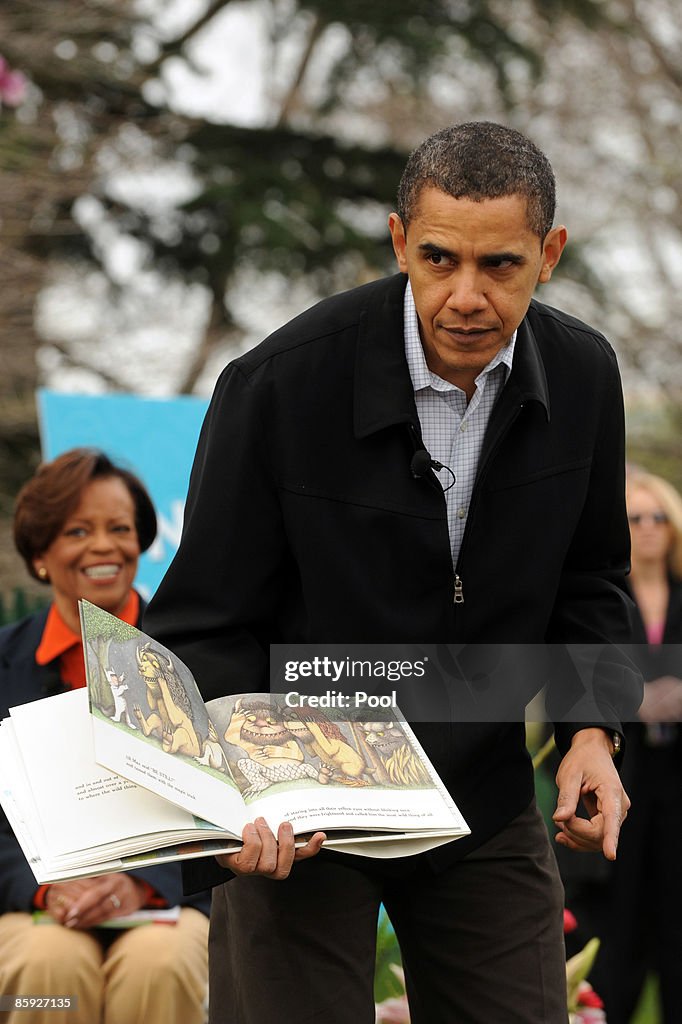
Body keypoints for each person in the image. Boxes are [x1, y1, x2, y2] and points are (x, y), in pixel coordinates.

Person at [144, 122, 642, 1024]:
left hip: (479, 804)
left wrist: (592, 732)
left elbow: (593, 576)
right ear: (399, 240)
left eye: (501, 266)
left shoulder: (586, 377)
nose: (466, 296)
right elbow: (203, 623)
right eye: (440, 258)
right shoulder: (277, 385)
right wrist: (237, 793)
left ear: (550, 254)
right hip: (301, 810)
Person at [0, 448, 210, 1024]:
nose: (102, 546)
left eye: (119, 529)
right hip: (37, 907)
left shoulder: (190, 656)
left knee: (159, 964)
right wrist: (42, 889)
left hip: (170, 900)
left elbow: (222, 804)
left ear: (141, 542)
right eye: (77, 530)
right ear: (41, 554)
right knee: (48, 970)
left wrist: (145, 883)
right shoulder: (3, 665)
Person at [569, 471, 682, 1023]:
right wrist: (625, 705)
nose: (648, 528)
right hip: (624, 775)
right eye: (634, 518)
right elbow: (569, 681)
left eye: (658, 516)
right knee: (616, 929)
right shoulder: (601, 604)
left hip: (678, 781)